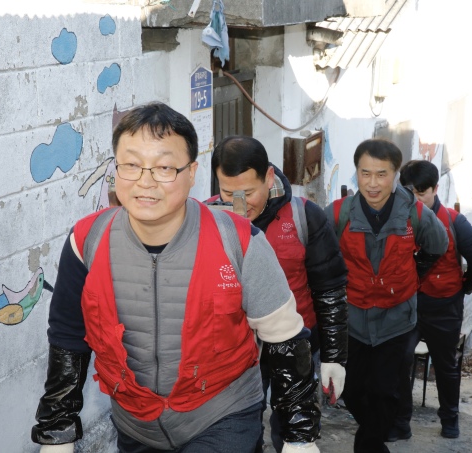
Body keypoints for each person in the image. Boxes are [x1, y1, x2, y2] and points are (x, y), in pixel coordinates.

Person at [31, 103, 321, 453]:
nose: (146, 181)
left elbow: (286, 339)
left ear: (192, 172)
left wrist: (299, 435)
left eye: (165, 167)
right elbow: (67, 337)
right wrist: (57, 431)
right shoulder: (86, 241)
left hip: (222, 418)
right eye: (131, 165)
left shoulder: (240, 241)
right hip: (135, 424)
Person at [209, 135, 348, 453]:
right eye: (228, 193)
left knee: (291, 432)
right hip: (237, 354)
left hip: (296, 346)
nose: (239, 203)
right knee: (239, 432)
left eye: (248, 192)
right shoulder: (206, 220)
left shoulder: (305, 217)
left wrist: (333, 357)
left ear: (269, 177)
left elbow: (330, 291)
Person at [324, 138, 449, 453]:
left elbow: (438, 246)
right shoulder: (339, 214)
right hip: (352, 317)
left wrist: (412, 276)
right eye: (365, 173)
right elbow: (322, 257)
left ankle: (368, 446)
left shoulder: (415, 214)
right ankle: (373, 442)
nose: (372, 183)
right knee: (350, 389)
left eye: (381, 174)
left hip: (396, 318)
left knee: (385, 392)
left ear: (395, 175)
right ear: (356, 174)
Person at [391, 159, 472, 440]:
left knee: (446, 366)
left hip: (444, 306)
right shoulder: (398, 221)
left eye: (423, 192)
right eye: (412, 193)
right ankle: (400, 422)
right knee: (400, 359)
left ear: (436, 189)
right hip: (408, 305)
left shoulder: (453, 220)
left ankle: (450, 419)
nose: (417, 199)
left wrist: (463, 289)